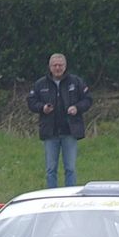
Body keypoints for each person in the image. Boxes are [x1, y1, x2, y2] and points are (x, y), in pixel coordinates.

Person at [27, 53, 92, 188]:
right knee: (51, 169)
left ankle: (69, 196)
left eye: (60, 65)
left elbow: (87, 100)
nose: (57, 68)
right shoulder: (40, 84)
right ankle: (52, 196)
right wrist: (43, 107)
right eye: (54, 65)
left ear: (65, 66)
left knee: (70, 168)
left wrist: (76, 108)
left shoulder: (76, 82)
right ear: (50, 67)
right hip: (50, 132)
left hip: (70, 131)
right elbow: (31, 102)